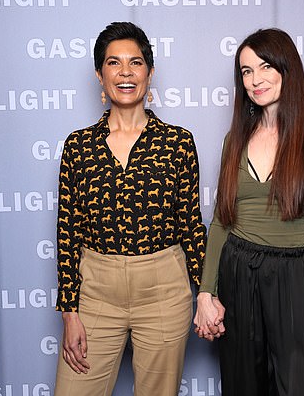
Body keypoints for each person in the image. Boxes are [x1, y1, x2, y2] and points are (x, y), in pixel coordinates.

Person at [55, 22, 206, 396]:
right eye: (113, 63)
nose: (125, 72)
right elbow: (67, 232)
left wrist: (207, 293)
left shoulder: (178, 143)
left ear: (149, 73)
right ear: (99, 75)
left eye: (135, 62)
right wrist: (70, 314)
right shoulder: (78, 147)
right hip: (96, 294)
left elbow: (191, 225)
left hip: (164, 290)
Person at [194, 28, 304, 396]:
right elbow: (221, 223)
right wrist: (205, 294)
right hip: (239, 273)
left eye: (264, 67)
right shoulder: (234, 140)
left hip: (296, 277)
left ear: (286, 68)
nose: (255, 80)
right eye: (245, 72)